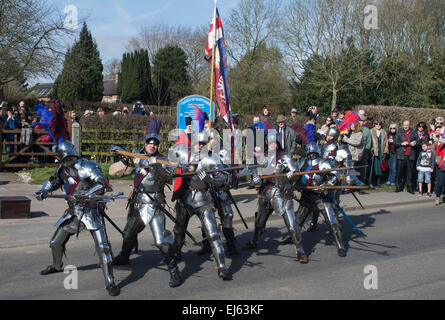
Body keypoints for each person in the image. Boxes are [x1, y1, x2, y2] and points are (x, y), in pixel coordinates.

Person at [34, 140, 120, 296]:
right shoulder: (62, 169)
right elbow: (55, 181)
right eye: (64, 158)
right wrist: (43, 190)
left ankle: (110, 282)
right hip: (73, 212)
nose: (68, 160)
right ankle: (57, 266)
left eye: (69, 157)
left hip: (91, 211)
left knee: (103, 247)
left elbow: (101, 184)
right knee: (55, 243)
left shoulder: (88, 166)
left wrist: (88, 193)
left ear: (74, 154)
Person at [111, 125, 182, 288]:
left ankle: (173, 270)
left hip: (155, 204)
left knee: (160, 241)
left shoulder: (164, 160)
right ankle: (124, 256)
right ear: (145, 144)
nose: (152, 145)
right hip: (138, 202)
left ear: (158, 146)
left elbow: (168, 177)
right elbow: (125, 161)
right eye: (149, 143)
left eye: (155, 144)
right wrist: (117, 150)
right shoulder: (138, 156)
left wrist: (156, 166)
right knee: (128, 233)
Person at [171, 132, 230, 279]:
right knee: (178, 230)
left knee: (213, 233)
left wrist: (210, 179)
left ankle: (222, 266)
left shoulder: (213, 158)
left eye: (202, 143)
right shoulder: (183, 156)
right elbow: (167, 169)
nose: (200, 145)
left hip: (204, 199)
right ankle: (176, 253)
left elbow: (224, 178)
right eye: (197, 142)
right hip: (185, 199)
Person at [243, 136, 308, 264]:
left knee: (291, 225)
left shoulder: (285, 157)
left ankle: (300, 250)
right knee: (259, 222)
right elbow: (257, 175)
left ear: (278, 145)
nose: (272, 146)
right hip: (265, 194)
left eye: (274, 144)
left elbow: (295, 171)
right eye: (270, 144)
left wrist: (290, 175)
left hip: (281, 193)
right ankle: (254, 242)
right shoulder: (264, 158)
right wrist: (256, 179)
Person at [295, 142, 347, 257]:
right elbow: (296, 176)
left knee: (332, 223)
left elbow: (336, 175)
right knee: (297, 222)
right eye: (310, 153)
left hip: (321, 196)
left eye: (313, 153)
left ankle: (340, 246)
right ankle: (295, 241)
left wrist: (327, 184)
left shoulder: (324, 162)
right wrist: (295, 183)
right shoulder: (302, 162)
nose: (311, 156)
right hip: (307, 196)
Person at [394, 120, 420, 194]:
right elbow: (395, 143)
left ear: (409, 125)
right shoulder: (399, 132)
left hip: (410, 155)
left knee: (410, 173)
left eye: (407, 125)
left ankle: (410, 187)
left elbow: (419, 141)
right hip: (401, 155)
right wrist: (402, 143)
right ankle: (398, 187)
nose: (405, 126)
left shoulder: (414, 132)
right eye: (404, 125)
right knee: (399, 172)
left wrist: (414, 143)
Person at [370, 120, 389, 188]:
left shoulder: (384, 132)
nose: (378, 125)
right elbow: (370, 142)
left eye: (379, 124)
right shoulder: (371, 131)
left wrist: (385, 152)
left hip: (381, 151)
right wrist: (371, 149)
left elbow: (386, 142)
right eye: (376, 124)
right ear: (374, 124)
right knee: (374, 168)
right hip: (374, 152)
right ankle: (373, 182)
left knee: (380, 168)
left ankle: (379, 182)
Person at [358, 115, 372, 184]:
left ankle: (361, 185)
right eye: (360, 121)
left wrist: (366, 150)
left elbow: (369, 142)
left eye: (363, 121)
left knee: (363, 169)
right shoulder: (355, 129)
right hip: (356, 152)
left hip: (363, 152)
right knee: (354, 169)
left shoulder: (367, 130)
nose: (361, 122)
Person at [434, 135, 445, 205]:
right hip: (443, 166)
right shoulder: (443, 147)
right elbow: (437, 153)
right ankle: (438, 197)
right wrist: (438, 144)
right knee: (440, 183)